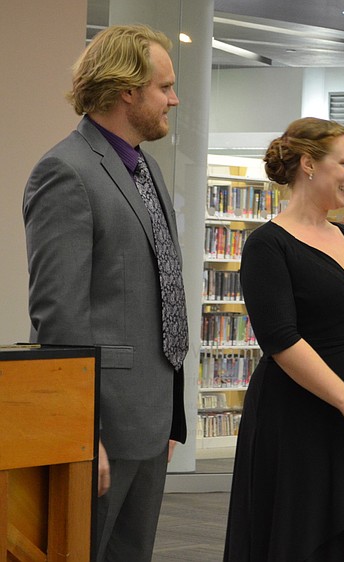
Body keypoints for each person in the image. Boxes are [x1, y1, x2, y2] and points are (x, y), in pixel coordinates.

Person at [23, 25, 187, 562]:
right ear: (127, 91)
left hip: (149, 418)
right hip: (100, 427)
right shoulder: (65, 172)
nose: (174, 99)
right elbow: (59, 316)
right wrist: (81, 435)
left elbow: (157, 292)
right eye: (164, 87)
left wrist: (169, 416)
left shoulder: (145, 167)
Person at [223, 117, 344, 561]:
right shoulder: (267, 245)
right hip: (295, 418)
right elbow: (280, 340)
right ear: (308, 165)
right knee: (299, 536)